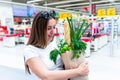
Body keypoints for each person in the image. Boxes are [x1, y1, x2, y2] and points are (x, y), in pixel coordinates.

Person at [23, 10, 89, 80]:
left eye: (54, 27)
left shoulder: (54, 44)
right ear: (39, 30)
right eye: (49, 28)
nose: (53, 31)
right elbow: (46, 76)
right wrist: (78, 71)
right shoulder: (30, 50)